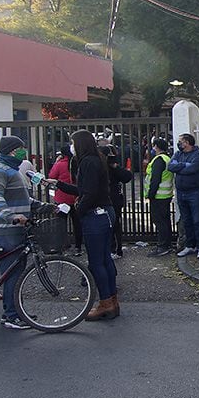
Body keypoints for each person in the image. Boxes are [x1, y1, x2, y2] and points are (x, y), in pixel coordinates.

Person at [48, 130, 119, 320]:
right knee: (105, 259)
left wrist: (78, 210)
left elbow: (88, 193)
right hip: (104, 213)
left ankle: (105, 302)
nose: (71, 147)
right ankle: (112, 300)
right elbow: (86, 188)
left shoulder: (88, 162)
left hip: (95, 216)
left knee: (97, 262)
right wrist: (60, 185)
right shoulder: (97, 159)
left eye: (73, 143)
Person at [0, 135, 56, 330]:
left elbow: (26, 201)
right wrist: (12, 216)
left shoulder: (13, 171)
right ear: (11, 150)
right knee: (12, 273)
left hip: (17, 229)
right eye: (20, 148)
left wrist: (50, 208)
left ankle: (16, 311)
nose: (23, 152)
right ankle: (10, 315)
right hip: (6, 229)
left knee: (16, 272)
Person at [171, 133, 199, 259]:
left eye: (180, 141)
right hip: (181, 192)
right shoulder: (178, 154)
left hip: (195, 192)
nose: (179, 143)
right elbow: (170, 166)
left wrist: (179, 167)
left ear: (187, 142)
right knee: (186, 220)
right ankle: (190, 245)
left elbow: (192, 169)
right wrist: (183, 165)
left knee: (197, 220)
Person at [48, 145, 83, 255]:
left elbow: (51, 176)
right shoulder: (77, 163)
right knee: (77, 224)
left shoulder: (59, 164)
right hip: (76, 197)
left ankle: (62, 245)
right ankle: (78, 246)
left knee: (60, 223)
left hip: (62, 198)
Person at [145, 137, 175, 257]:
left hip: (158, 196)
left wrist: (151, 194)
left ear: (157, 147)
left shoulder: (159, 160)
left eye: (153, 146)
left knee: (160, 221)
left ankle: (162, 246)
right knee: (165, 220)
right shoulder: (167, 158)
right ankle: (166, 244)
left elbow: (155, 179)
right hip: (165, 195)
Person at [102, 144, 132, 259]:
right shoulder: (99, 165)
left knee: (114, 225)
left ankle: (115, 249)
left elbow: (126, 177)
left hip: (113, 199)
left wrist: (115, 167)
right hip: (110, 198)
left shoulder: (113, 166)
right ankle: (112, 248)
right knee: (111, 225)